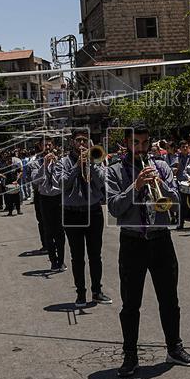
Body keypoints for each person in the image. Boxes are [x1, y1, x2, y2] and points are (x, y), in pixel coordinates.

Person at [106, 122, 190, 377]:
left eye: (145, 142)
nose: (141, 147)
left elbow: (175, 201)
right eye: (135, 143)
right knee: (130, 303)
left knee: (169, 298)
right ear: (126, 143)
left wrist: (162, 184)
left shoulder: (162, 166)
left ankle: (174, 348)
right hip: (132, 241)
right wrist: (135, 186)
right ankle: (130, 356)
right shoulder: (114, 171)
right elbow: (114, 207)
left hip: (161, 239)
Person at [55, 129, 111, 307]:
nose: (81, 143)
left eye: (84, 140)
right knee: (77, 256)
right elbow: (62, 184)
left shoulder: (96, 159)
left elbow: (102, 182)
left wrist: (91, 164)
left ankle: (97, 291)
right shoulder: (63, 162)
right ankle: (80, 293)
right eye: (78, 140)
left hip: (93, 211)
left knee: (95, 255)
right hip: (71, 213)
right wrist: (76, 167)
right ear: (72, 142)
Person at [36, 143, 66, 272]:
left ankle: (61, 260)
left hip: (58, 198)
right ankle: (53, 261)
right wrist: (44, 165)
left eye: (50, 149)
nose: (49, 153)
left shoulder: (60, 163)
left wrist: (56, 163)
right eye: (46, 151)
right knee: (48, 231)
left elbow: (64, 179)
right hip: (45, 199)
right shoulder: (36, 164)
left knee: (60, 231)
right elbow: (35, 180)